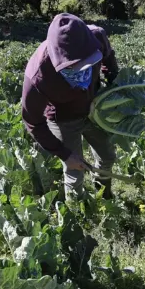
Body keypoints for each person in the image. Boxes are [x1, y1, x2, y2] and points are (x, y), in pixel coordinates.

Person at [22, 13, 119, 201]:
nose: (83, 71)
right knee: (75, 172)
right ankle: (79, 214)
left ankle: (103, 196)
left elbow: (109, 58)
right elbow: (33, 121)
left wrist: (113, 81)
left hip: (94, 110)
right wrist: (65, 154)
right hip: (63, 119)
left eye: (88, 64)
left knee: (107, 156)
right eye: (75, 68)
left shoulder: (97, 36)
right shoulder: (38, 75)